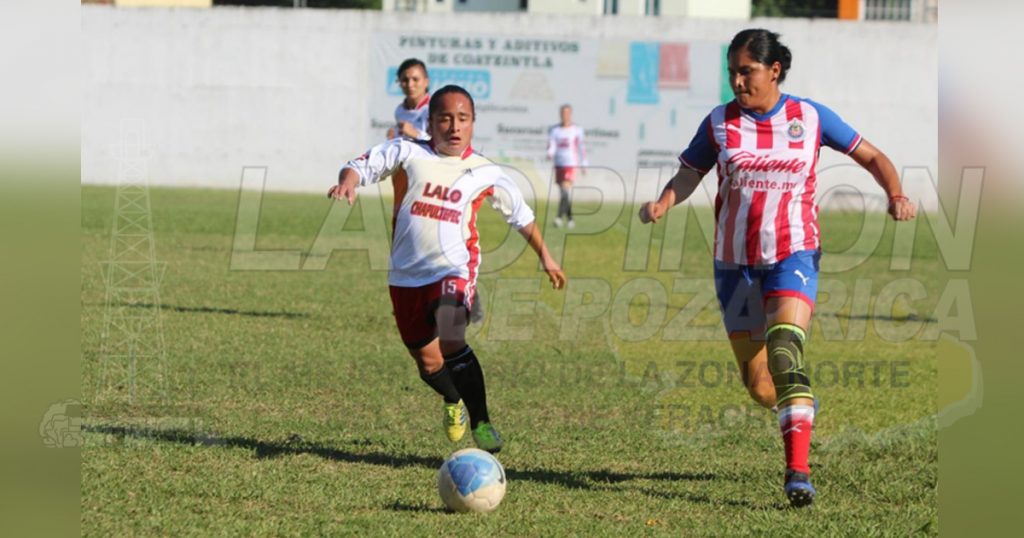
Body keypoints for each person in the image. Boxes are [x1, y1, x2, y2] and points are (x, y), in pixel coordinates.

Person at [637, 29, 916, 507]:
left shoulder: (810, 117)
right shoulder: (719, 122)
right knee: (761, 386)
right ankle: (797, 404)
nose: (737, 81)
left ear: (774, 70)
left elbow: (872, 155)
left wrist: (895, 193)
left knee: (786, 352)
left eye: (745, 71)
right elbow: (690, 172)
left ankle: (798, 472)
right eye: (732, 72)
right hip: (734, 265)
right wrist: (665, 201)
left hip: (795, 254)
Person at [330, 85, 567, 454]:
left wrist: (546, 256)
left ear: (473, 123)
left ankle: (482, 421)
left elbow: (521, 217)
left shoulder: (487, 171)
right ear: (430, 123)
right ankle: (453, 400)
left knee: (452, 336)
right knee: (428, 363)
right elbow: (360, 165)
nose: (454, 127)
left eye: (463, 119)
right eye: (445, 119)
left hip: (454, 269)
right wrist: (348, 181)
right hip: (406, 275)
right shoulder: (407, 152)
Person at [546, 104, 587, 228]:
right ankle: (570, 218)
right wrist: (550, 153)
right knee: (563, 192)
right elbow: (552, 144)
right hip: (559, 163)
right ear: (560, 114)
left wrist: (584, 163)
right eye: (563, 113)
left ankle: (558, 217)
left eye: (567, 113)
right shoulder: (555, 130)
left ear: (570, 114)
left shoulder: (576, 130)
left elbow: (581, 147)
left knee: (565, 190)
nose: (565, 115)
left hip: (570, 163)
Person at [386, 58, 431, 141]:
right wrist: (395, 138)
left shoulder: (436, 108)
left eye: (415, 79)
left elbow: (442, 145)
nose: (410, 85)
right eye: (405, 80)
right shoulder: (399, 110)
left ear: (426, 82)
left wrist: (416, 134)